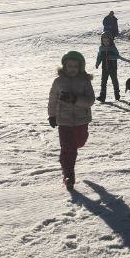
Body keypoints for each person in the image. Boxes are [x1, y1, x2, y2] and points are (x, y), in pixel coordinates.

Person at [47, 51, 95, 191]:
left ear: (80, 67)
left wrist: (75, 99)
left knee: (79, 142)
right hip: (64, 120)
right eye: (69, 66)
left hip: (81, 120)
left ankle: (71, 151)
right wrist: (52, 116)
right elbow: (52, 100)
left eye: (75, 66)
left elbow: (90, 100)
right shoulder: (58, 82)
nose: (72, 69)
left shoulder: (85, 81)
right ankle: (68, 175)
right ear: (64, 66)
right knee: (67, 147)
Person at [95, 32, 120, 102]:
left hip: (113, 67)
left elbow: (117, 56)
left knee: (114, 80)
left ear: (110, 40)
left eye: (107, 41)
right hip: (104, 68)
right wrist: (97, 63)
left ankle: (117, 94)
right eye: (104, 41)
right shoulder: (101, 48)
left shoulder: (113, 48)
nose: (106, 43)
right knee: (103, 82)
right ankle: (102, 96)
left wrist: (110, 57)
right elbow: (99, 56)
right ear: (102, 41)